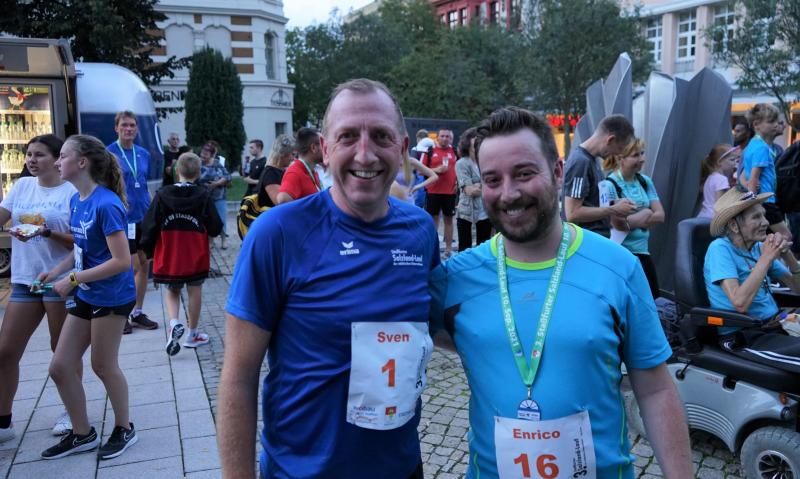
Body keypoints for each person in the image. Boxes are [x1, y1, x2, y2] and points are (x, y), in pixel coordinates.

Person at [429, 107, 692, 479]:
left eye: (524, 173)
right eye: (492, 179)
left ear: (557, 172)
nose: (509, 193)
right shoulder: (455, 278)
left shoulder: (618, 268)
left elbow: (654, 390)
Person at [218, 79, 440, 479]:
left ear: (403, 148)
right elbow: (238, 376)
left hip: (403, 468)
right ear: (324, 148)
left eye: (381, 136)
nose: (365, 153)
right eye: (348, 136)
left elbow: (439, 325)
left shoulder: (420, 230)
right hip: (302, 472)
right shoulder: (277, 234)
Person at [40, 134, 138, 460]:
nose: (57, 162)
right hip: (88, 292)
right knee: (60, 367)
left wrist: (72, 279)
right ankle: (82, 434)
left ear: (81, 162)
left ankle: (124, 428)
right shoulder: (77, 200)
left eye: (62, 156)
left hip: (111, 296)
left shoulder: (106, 204)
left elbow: (121, 261)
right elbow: (82, 249)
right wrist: (56, 271)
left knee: (103, 365)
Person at [0, 135, 77, 443]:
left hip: (60, 280)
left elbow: (81, 242)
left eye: (39, 155)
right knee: (5, 351)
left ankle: (72, 413)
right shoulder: (21, 186)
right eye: (29, 154)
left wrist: (46, 232)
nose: (31, 160)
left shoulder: (71, 191)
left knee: (62, 351)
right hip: (24, 279)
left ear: (57, 159)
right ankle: (4, 423)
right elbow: (2, 218)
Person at [704, 186, 800, 371]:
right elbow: (739, 303)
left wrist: (788, 255)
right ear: (734, 225)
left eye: (764, 215)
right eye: (756, 217)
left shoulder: (756, 248)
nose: (765, 222)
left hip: (774, 324)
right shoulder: (720, 249)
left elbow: (798, 288)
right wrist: (766, 258)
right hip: (743, 336)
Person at [141, 153, 223, 355]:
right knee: (195, 289)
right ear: (199, 172)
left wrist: (147, 250)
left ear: (177, 171)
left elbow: (149, 225)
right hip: (195, 252)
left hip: (170, 252)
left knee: (172, 289)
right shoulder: (203, 195)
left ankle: (174, 323)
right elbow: (215, 226)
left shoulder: (162, 195)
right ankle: (192, 333)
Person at [106, 111, 157, 334]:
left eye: (132, 125)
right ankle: (122, 313)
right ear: (116, 128)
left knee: (143, 265)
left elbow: (144, 184)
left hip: (142, 217)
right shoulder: (109, 153)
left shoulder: (143, 153)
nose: (129, 129)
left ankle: (137, 312)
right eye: (124, 125)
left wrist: (152, 212)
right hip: (122, 219)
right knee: (129, 266)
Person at [601, 139, 665, 298]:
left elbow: (660, 215)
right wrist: (645, 215)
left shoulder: (644, 181)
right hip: (622, 254)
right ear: (620, 158)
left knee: (653, 299)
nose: (642, 159)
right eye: (636, 155)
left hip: (643, 252)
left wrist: (632, 220)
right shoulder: (608, 185)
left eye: (642, 153)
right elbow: (616, 224)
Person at [562, 115, 637, 238]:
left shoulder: (591, 160)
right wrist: (614, 209)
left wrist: (615, 204)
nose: (618, 154)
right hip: (586, 240)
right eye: (619, 149)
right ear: (610, 140)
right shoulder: (581, 162)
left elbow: (590, 203)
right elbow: (573, 213)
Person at [740, 103, 792, 241]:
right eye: (770, 121)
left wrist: (748, 187)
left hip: (761, 200)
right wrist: (753, 203)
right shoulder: (762, 148)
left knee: (768, 238)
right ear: (756, 124)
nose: (775, 124)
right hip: (766, 201)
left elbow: (743, 176)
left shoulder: (751, 145)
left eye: (776, 121)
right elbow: (754, 178)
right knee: (786, 236)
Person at [422, 129, 459, 258]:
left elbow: (460, 169)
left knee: (449, 220)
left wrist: (458, 182)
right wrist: (436, 170)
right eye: (442, 136)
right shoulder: (430, 151)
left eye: (447, 136)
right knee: (433, 221)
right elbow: (421, 170)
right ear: (437, 137)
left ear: (451, 139)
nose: (444, 138)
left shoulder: (455, 151)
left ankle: (448, 249)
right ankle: (432, 248)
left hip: (450, 192)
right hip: (433, 191)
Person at [454, 127, 491, 251]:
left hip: (485, 212)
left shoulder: (487, 162)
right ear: (468, 142)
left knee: (484, 249)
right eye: (476, 139)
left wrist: (478, 185)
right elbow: (470, 191)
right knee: (465, 249)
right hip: (467, 214)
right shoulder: (462, 163)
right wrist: (486, 185)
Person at [198, 141, 232, 249]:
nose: (203, 155)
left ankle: (223, 239)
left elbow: (227, 177)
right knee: (208, 219)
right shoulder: (198, 164)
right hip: (204, 197)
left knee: (221, 219)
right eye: (202, 153)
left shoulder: (217, 163)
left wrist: (216, 184)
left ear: (212, 154)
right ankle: (210, 240)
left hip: (219, 196)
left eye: (206, 154)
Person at [277, 127, 323, 204]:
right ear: (314, 148)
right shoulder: (295, 173)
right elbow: (282, 199)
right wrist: (306, 211)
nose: (326, 148)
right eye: (322, 144)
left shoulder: (311, 171)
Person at [698, 144, 739, 219]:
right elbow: (719, 205)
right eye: (732, 160)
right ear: (719, 162)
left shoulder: (710, 177)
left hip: (703, 216)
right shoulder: (722, 179)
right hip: (712, 219)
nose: (735, 163)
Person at [257, 134, 295, 208]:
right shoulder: (270, 174)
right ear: (282, 153)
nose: (293, 158)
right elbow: (281, 204)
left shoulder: (279, 171)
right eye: (292, 154)